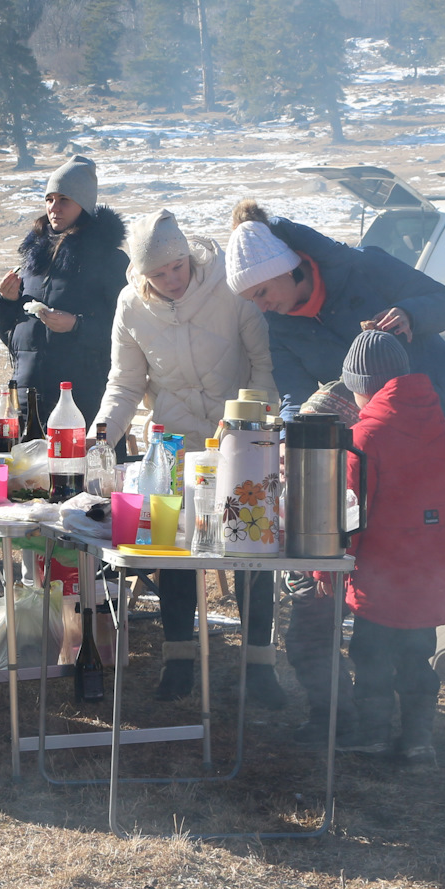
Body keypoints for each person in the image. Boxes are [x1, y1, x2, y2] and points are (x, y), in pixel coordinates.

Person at [225, 200, 445, 722]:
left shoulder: (363, 268)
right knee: (387, 556)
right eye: (251, 300)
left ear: (288, 269)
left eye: (263, 292)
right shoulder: (281, 325)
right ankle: (390, 687)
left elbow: (442, 301)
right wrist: (298, 433)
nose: (262, 306)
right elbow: (292, 393)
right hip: (376, 453)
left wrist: (411, 313)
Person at [93, 210, 282, 703]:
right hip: (172, 446)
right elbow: (126, 381)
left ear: (188, 257)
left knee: (250, 551)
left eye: (177, 267)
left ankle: (260, 666)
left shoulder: (229, 289)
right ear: (141, 275)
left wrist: (249, 424)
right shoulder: (131, 306)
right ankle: (177, 662)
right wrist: (101, 431)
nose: (171, 280)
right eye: (158, 274)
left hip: (239, 445)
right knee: (173, 556)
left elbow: (262, 364)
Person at [331, 331, 445, 762]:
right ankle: (418, 742)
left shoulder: (365, 436)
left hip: (378, 576)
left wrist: (325, 570)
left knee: (371, 655)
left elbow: (348, 514)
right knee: (417, 655)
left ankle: (372, 735)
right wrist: (444, 561)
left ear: (362, 385)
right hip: (428, 573)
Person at [0, 155, 128, 425]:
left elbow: (127, 333)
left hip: (82, 403)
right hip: (27, 401)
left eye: (64, 199)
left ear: (84, 204)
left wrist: (76, 325)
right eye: (49, 199)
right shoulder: (34, 261)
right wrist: (6, 303)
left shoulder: (109, 261)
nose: (54, 207)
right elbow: (13, 338)